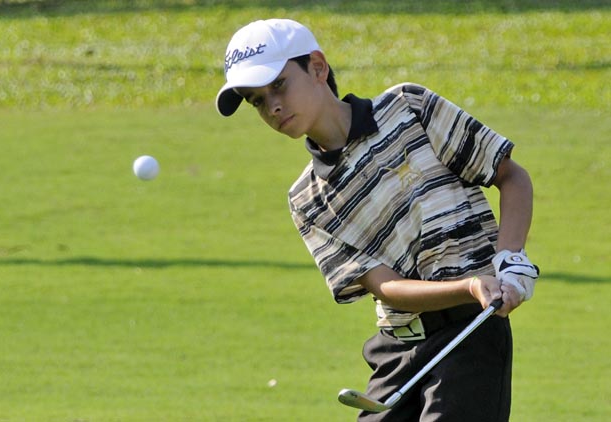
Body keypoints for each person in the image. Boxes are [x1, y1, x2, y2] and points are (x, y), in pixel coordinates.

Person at [216, 18, 539, 422]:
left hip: (469, 336)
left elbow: (511, 176)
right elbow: (385, 286)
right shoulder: (306, 200)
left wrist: (509, 258)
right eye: (257, 100)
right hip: (397, 348)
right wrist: (470, 285)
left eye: (278, 85)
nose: (272, 106)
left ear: (318, 67)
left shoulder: (409, 108)